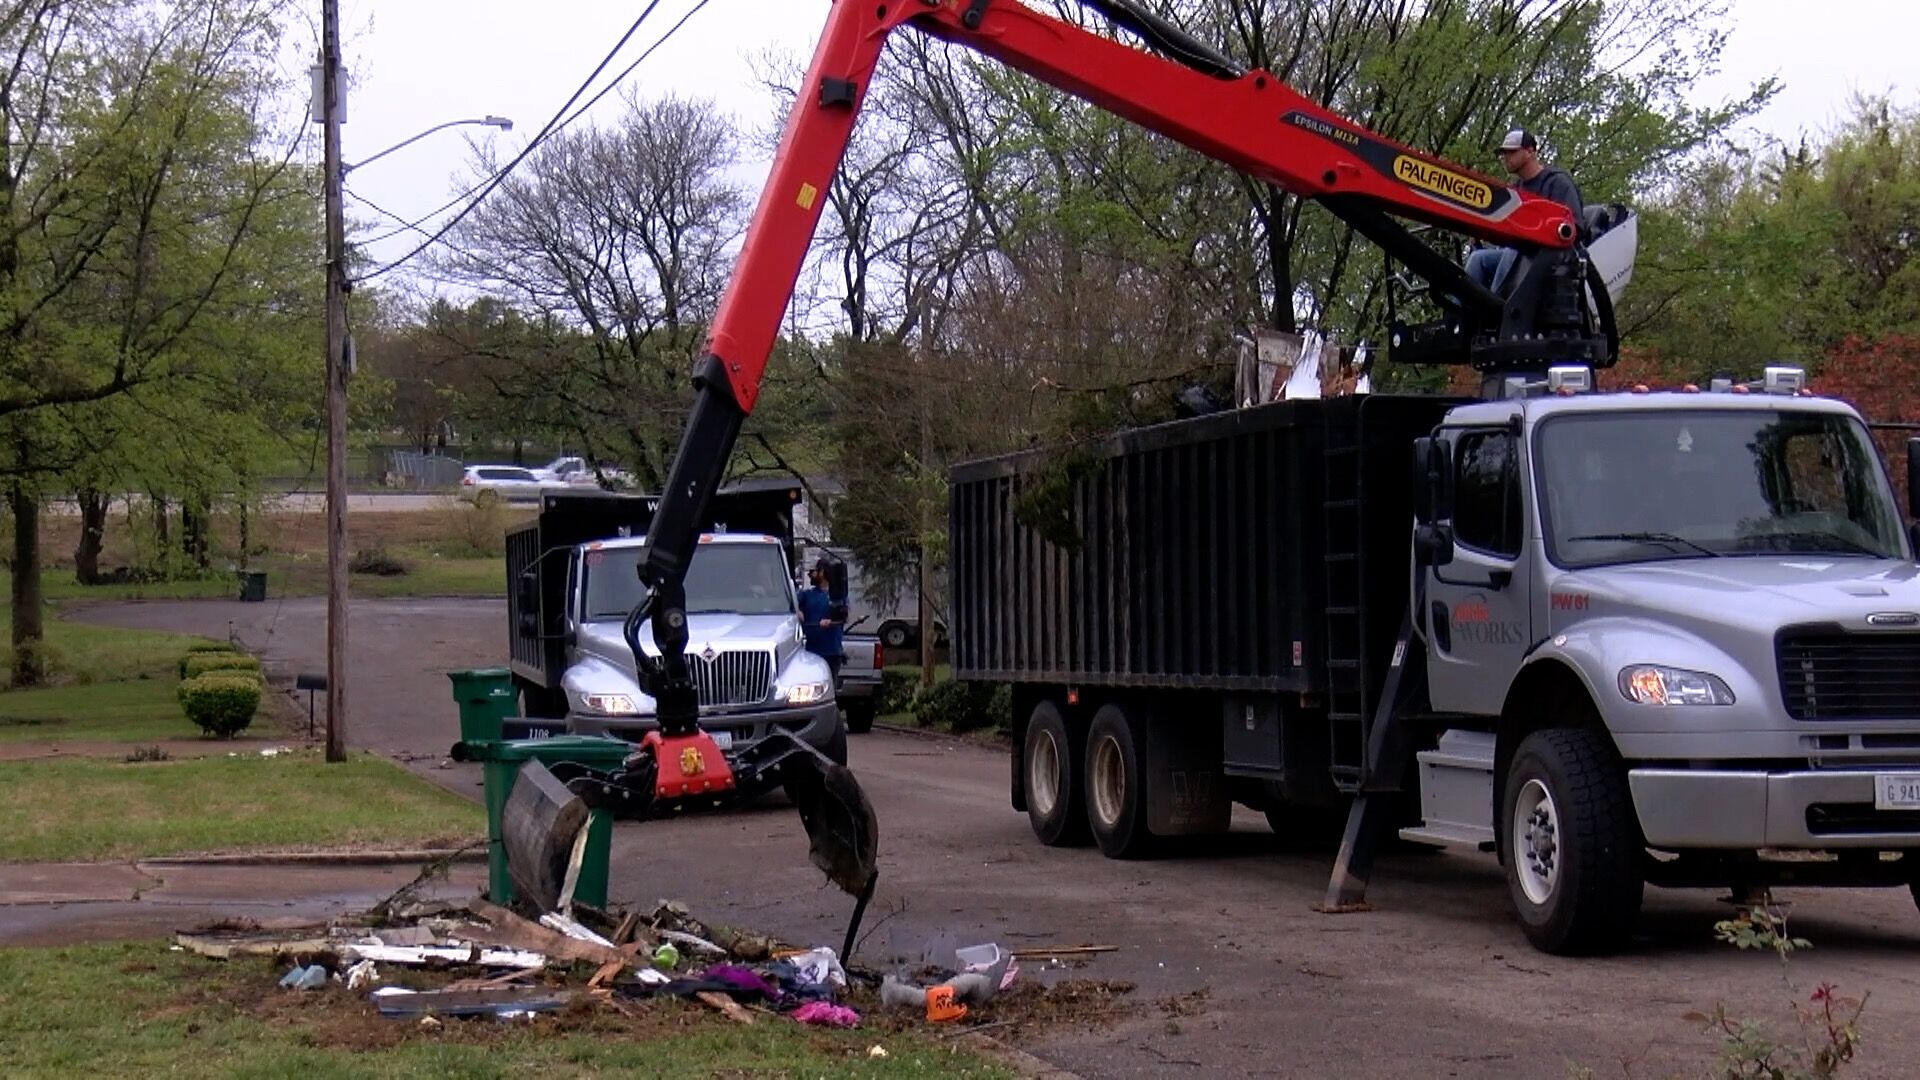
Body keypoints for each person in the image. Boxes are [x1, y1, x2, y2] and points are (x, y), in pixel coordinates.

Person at [1466, 128, 1585, 293]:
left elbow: (1575, 229)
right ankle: (1461, 316)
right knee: (1478, 259)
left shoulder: (1557, 182)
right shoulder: (1515, 190)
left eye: (1512, 152)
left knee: (1513, 250)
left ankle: (1494, 311)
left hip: (1548, 258)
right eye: (1504, 153)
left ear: (1530, 152)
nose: (1505, 158)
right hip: (1520, 254)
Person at [796, 558, 845, 678]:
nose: (810, 575)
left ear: (822, 572)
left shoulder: (838, 596)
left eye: (813, 571)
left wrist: (831, 622)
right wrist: (797, 612)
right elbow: (790, 604)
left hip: (832, 654)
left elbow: (843, 617)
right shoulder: (806, 595)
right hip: (812, 653)